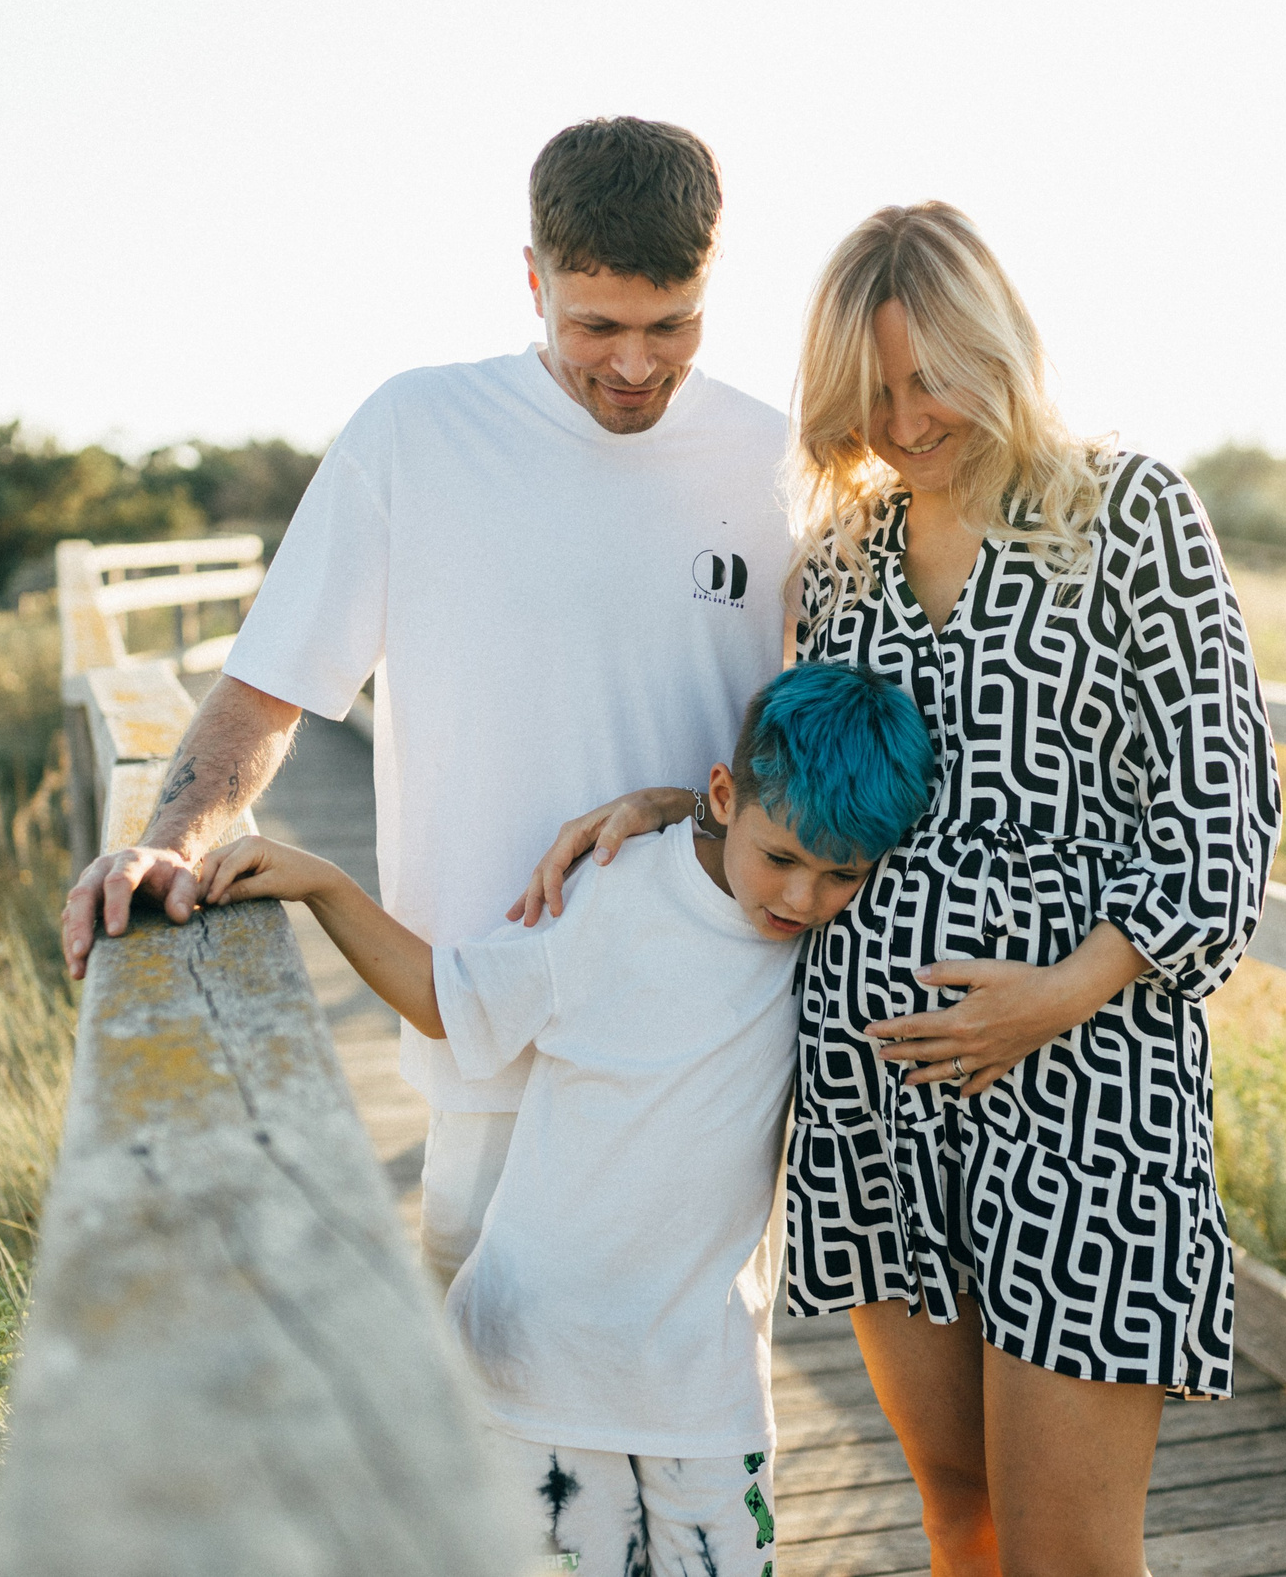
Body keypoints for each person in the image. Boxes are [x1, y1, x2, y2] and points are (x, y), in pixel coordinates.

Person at [514, 202, 1281, 1577]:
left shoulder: (1127, 513)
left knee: (1068, 1553)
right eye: (872, 393)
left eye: (934, 378)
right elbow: (812, 791)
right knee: (960, 1518)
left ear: (1000, 351)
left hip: (1084, 1096)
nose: (908, 420)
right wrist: (679, 812)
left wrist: (1055, 996)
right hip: (875, 1099)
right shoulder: (843, 560)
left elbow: (1222, 809)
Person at [59, 117, 794, 1289]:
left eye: (672, 325)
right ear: (532, 280)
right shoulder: (418, 432)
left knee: (699, 1385)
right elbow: (269, 688)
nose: (634, 365)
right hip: (483, 1030)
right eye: (595, 326)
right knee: (477, 1382)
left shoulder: (781, 463)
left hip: (706, 1051)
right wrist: (174, 839)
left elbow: (815, 741)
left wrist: (683, 807)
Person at [188, 663, 935, 1577]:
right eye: (780, 858)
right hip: (540, 1362)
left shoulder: (837, 943)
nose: (801, 899)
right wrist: (323, 885)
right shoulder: (615, 892)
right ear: (723, 795)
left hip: (706, 1384)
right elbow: (446, 998)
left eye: (840, 875)